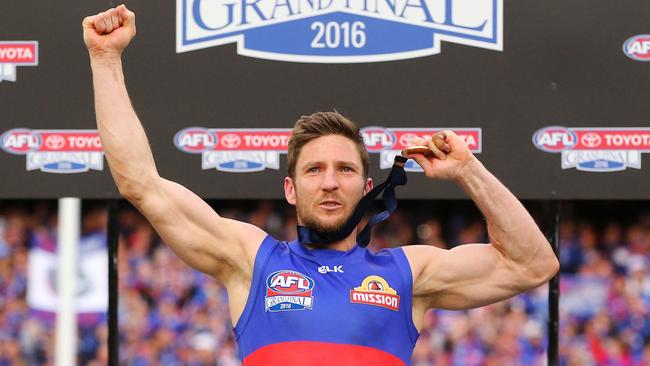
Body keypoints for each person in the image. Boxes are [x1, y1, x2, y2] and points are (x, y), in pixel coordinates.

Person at [82, 5, 559, 365]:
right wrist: (105, 59)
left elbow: (532, 264)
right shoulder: (251, 260)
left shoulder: (409, 273)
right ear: (290, 189)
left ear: (369, 186)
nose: (330, 182)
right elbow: (140, 182)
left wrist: (468, 171)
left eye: (345, 170)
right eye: (314, 170)